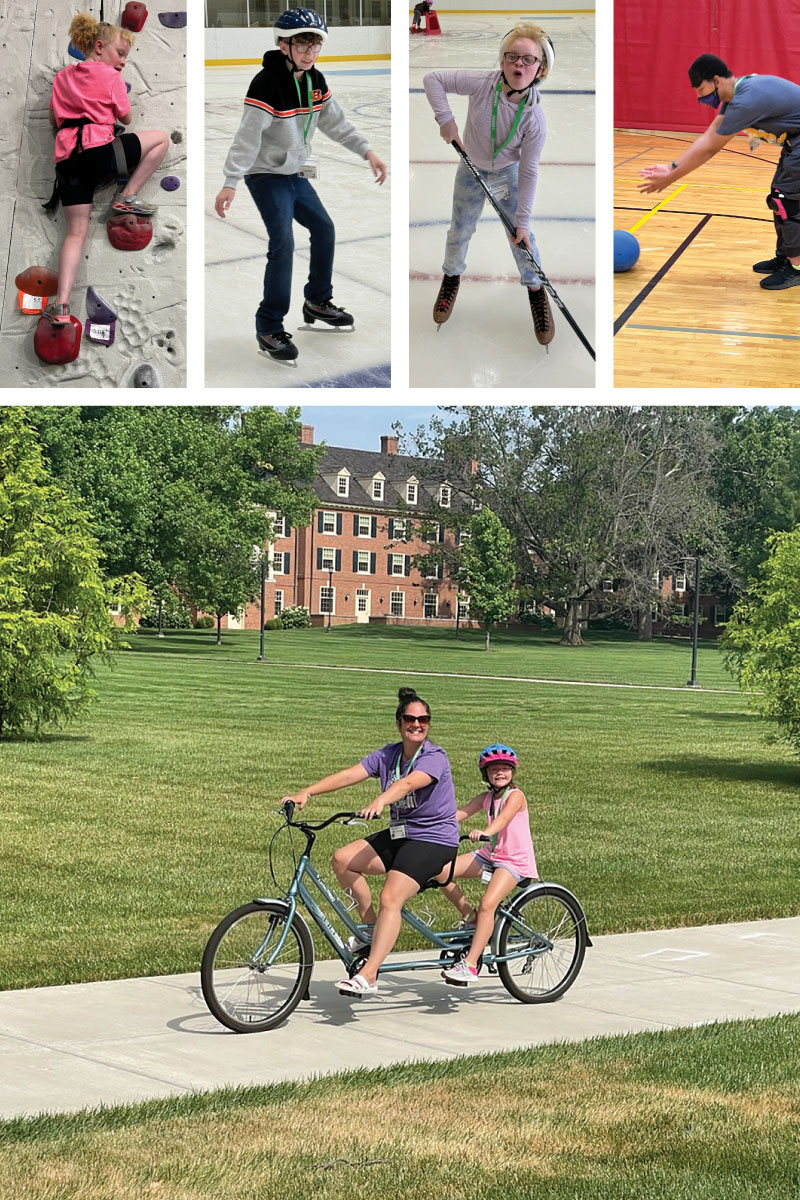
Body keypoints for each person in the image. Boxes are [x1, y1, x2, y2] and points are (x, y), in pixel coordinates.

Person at [214, 8, 387, 364]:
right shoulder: (266, 84)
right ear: (283, 45)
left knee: (324, 229)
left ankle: (317, 301)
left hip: (295, 172)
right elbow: (247, 138)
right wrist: (230, 181)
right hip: (265, 174)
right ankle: (269, 326)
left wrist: (367, 150)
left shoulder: (316, 80)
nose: (310, 53)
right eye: (303, 46)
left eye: (315, 46)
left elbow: (336, 122)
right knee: (283, 242)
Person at [281, 686, 459, 997]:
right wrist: (306, 792)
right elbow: (350, 774)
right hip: (403, 834)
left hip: (434, 838)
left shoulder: (434, 756)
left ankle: (370, 974)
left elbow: (409, 783)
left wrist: (381, 800)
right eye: (410, 719)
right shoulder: (388, 755)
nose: (417, 724)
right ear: (399, 723)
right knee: (343, 860)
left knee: (391, 896)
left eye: (424, 720)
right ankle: (370, 930)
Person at [422, 24, 555, 345]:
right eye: (512, 57)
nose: (518, 65)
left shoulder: (533, 119)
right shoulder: (484, 84)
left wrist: (521, 222)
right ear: (502, 61)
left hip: (507, 175)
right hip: (471, 170)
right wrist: (446, 120)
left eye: (528, 59)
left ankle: (536, 289)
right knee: (460, 230)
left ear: (541, 69)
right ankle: (451, 277)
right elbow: (433, 80)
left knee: (521, 239)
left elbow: (529, 171)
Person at [45, 12, 169, 325]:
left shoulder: (61, 78)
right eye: (121, 54)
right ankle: (128, 195)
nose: (123, 61)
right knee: (161, 140)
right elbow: (126, 119)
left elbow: (52, 121)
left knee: (74, 234)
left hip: (67, 163)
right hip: (99, 153)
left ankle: (60, 305)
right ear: (99, 47)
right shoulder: (110, 77)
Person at [639, 55, 800, 291]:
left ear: (716, 80)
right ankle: (786, 256)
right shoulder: (739, 91)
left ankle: (796, 267)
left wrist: (670, 177)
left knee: (785, 200)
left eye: (702, 90)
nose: (701, 98)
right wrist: (670, 167)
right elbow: (709, 134)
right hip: (794, 142)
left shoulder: (746, 99)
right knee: (780, 197)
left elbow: (711, 147)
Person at [438, 743, 537, 986]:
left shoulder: (516, 796)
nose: (500, 773)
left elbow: (503, 820)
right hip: (490, 854)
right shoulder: (486, 797)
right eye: (494, 770)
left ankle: (470, 965)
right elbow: (459, 814)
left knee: (488, 905)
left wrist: (485, 831)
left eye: (505, 768)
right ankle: (470, 917)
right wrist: (429, 823)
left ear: (513, 772)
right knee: (439, 871)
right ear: (486, 774)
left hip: (514, 861)